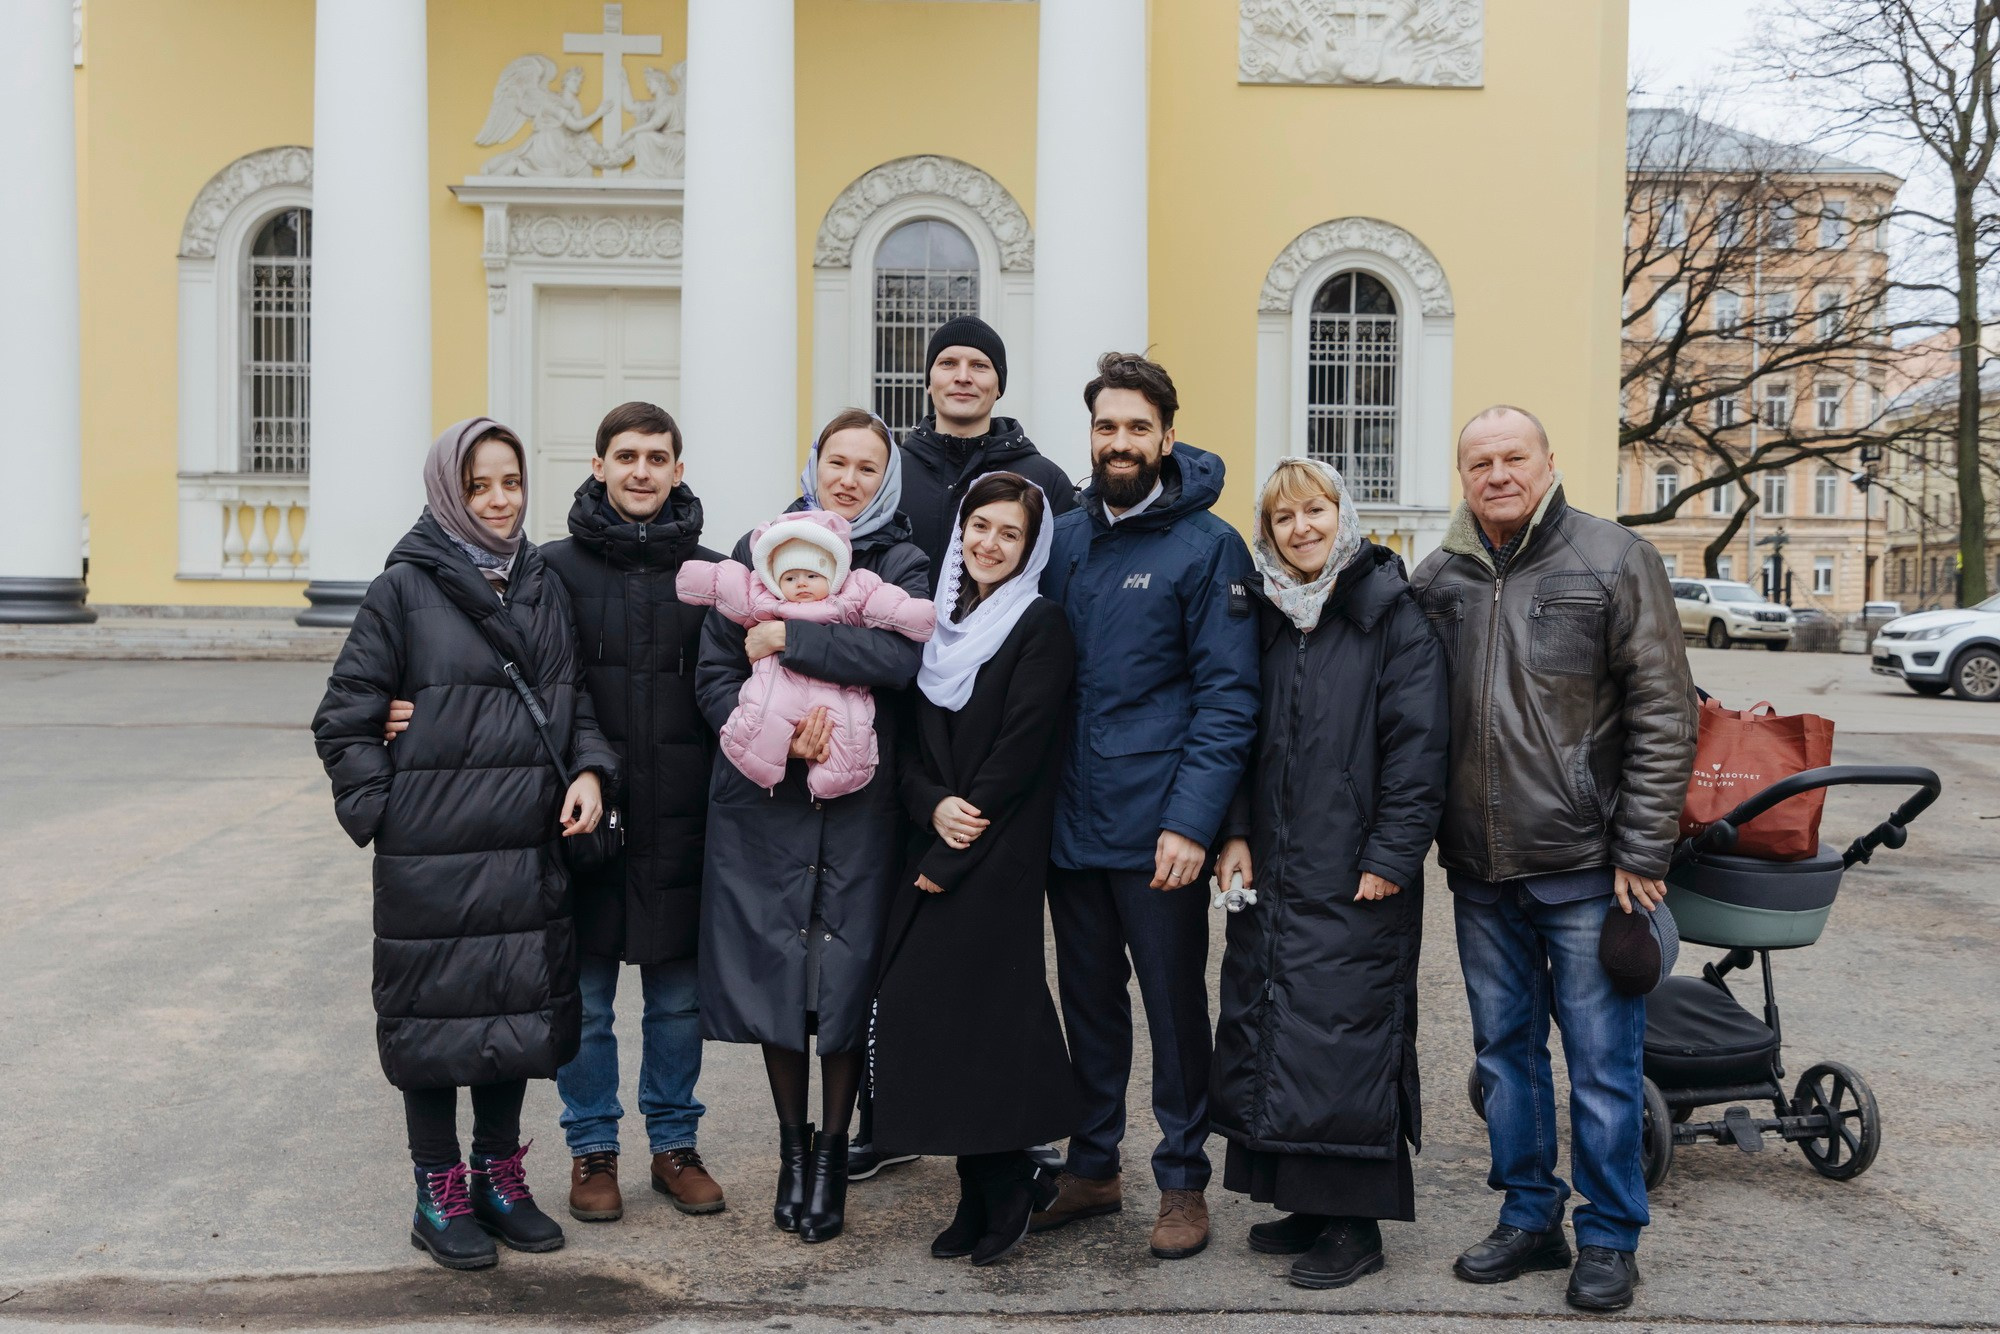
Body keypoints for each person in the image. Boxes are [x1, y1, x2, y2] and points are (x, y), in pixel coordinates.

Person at [312, 417, 617, 1271]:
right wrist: (386, 807)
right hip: (434, 851)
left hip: (524, 842)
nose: (498, 500)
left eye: (510, 482)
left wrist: (591, 771)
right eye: (480, 485)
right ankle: (437, 1190)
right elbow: (343, 717)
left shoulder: (541, 583)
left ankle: (500, 1178)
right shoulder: (401, 589)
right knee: (432, 1023)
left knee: (510, 1014)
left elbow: (573, 700)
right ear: (450, 489)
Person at [1411, 406, 1696, 1313]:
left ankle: (1611, 1235)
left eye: (1513, 457)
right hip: (1480, 870)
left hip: (1587, 866)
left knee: (1604, 1065)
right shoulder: (1440, 577)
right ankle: (1530, 1217)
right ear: (1463, 475)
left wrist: (1645, 847)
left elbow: (1665, 710)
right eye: (1480, 461)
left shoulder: (1613, 559)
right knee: (1504, 1056)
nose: (1498, 473)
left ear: (1548, 462)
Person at [1031, 353, 1260, 1261]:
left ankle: (1181, 1180)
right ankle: (1093, 1165)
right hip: (1070, 825)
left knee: (1172, 1009)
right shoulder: (1064, 537)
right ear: (1089, 437)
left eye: (1136, 427)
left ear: (1167, 434)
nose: (1119, 442)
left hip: (1158, 827)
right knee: (1086, 1001)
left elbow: (1229, 698)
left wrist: (1194, 823)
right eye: (1104, 427)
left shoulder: (1208, 548)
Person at [1209, 458, 1449, 1290]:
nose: (1302, 528)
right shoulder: (1269, 616)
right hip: (1276, 863)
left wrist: (1391, 855)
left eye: (1315, 511)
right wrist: (1234, 831)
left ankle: (1355, 1224)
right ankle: (1303, 1200)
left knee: (1347, 1034)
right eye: (1283, 519)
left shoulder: (1391, 613)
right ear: (1268, 533)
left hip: (1356, 868)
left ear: (1343, 515)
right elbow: (1237, 732)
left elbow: (1418, 750)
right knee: (1279, 1023)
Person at [695, 408, 930, 1245]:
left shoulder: (898, 559)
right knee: (777, 984)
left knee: (841, 982)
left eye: (869, 467)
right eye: (839, 462)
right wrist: (774, 737)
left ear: (885, 479)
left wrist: (792, 640)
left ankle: (833, 1156)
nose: (850, 479)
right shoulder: (760, 546)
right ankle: (793, 1153)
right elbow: (715, 671)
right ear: (815, 464)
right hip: (768, 805)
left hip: (861, 808)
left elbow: (902, 660)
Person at [872, 473, 1081, 1268]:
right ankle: (981, 1182)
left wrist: (953, 845)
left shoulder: (1039, 624)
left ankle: (1004, 1181)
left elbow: (1020, 750)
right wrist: (930, 811)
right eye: (980, 527)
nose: (990, 544)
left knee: (989, 1017)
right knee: (935, 1014)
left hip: (999, 849)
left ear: (1031, 550)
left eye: (1010, 534)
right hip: (938, 835)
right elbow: (912, 751)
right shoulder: (939, 626)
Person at [538, 403, 724, 1225]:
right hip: (588, 819)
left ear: (679, 469)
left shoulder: (715, 577)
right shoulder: (552, 571)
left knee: (678, 1002)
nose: (642, 471)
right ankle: (593, 1152)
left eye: (657, 457)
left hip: (688, 823)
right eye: (626, 456)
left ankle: (676, 1147)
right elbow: (521, 679)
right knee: (586, 999)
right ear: (599, 464)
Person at [677, 510, 935, 797]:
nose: (801, 584)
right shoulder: (765, 596)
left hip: (835, 694)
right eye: (791, 577)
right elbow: (729, 584)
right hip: (777, 688)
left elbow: (887, 609)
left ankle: (837, 775)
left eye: (812, 575)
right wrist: (694, 577)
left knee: (851, 731)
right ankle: (762, 759)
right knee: (761, 717)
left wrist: (788, 638)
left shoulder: (853, 592)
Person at [895, 315, 1078, 570]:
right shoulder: (889, 474)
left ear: (999, 386)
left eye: (979, 366)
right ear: (929, 381)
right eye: (948, 363)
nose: (963, 377)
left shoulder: (1044, 480)